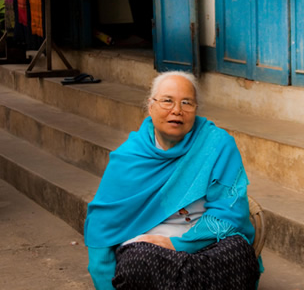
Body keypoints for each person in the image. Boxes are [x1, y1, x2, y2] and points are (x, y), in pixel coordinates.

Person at [84, 71, 261, 290]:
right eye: (167, 101)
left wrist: (177, 244)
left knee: (238, 254)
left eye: (186, 103)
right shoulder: (129, 157)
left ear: (195, 109)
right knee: (138, 263)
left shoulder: (217, 144)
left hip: (204, 241)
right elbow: (103, 223)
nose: (177, 110)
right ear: (151, 106)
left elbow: (230, 212)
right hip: (150, 248)